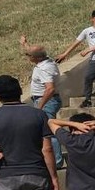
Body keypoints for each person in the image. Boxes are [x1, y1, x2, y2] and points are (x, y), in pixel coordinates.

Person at [55, 10, 95, 108]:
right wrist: (65, 53)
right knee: (88, 78)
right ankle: (88, 100)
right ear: (92, 19)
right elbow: (76, 42)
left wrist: (89, 50)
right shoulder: (87, 31)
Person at [20, 36, 64, 168]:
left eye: (29, 56)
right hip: (47, 101)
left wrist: (40, 106)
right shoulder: (46, 60)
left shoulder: (44, 69)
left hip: (46, 101)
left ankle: (56, 162)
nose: (28, 58)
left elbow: (50, 89)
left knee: (49, 131)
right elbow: (35, 51)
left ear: (36, 58)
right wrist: (25, 44)